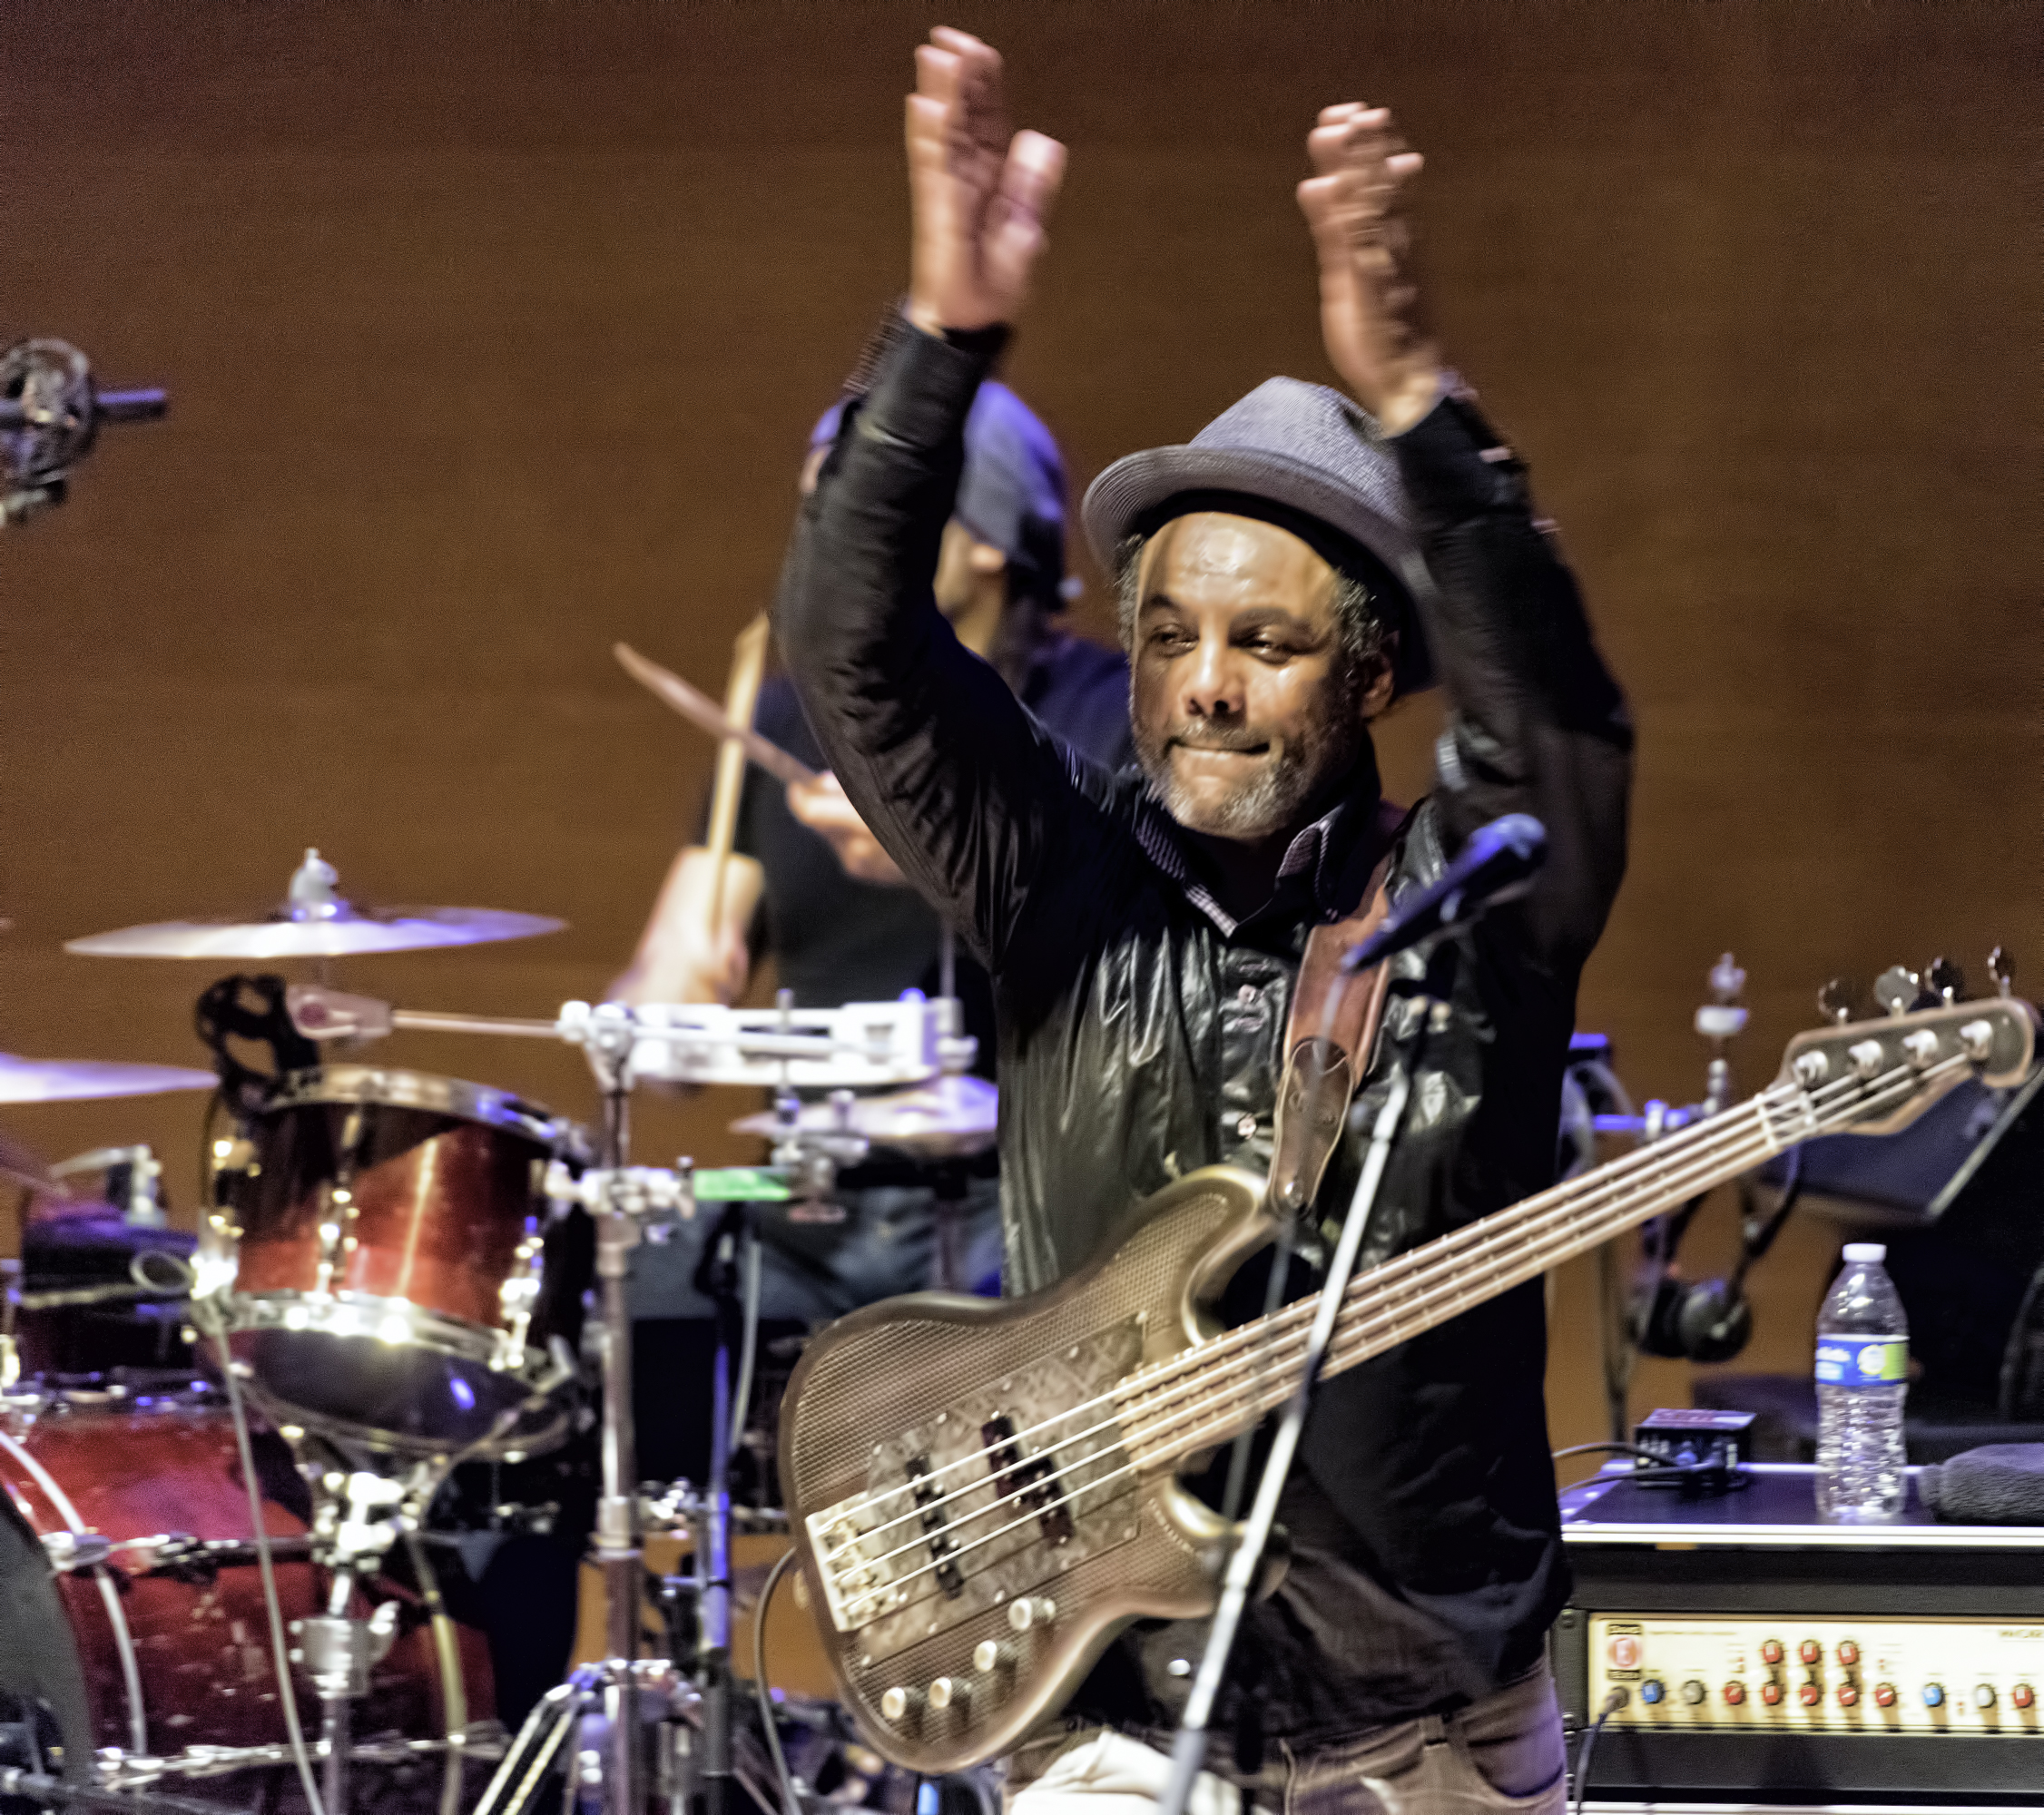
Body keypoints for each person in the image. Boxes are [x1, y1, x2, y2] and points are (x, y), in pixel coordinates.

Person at [774, 28, 1633, 1815]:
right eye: (1172, 635)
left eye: (1269, 640)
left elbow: (1559, 728)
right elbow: (856, 653)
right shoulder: (1056, 885)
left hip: (1430, 1752)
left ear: (1374, 666)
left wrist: (1418, 403)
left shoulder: (1469, 910)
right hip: (1110, 1734)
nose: (1206, 689)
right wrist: (935, 340)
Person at [615, 362, 1132, 1435]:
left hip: (1018, 1200)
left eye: (862, 512)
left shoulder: (1106, 718)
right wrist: (665, 1016)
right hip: (811, 1201)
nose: (829, 543)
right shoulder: (791, 719)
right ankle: (647, 1594)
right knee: (616, 1319)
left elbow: (1153, 968)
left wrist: (942, 852)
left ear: (987, 536)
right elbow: (681, 960)